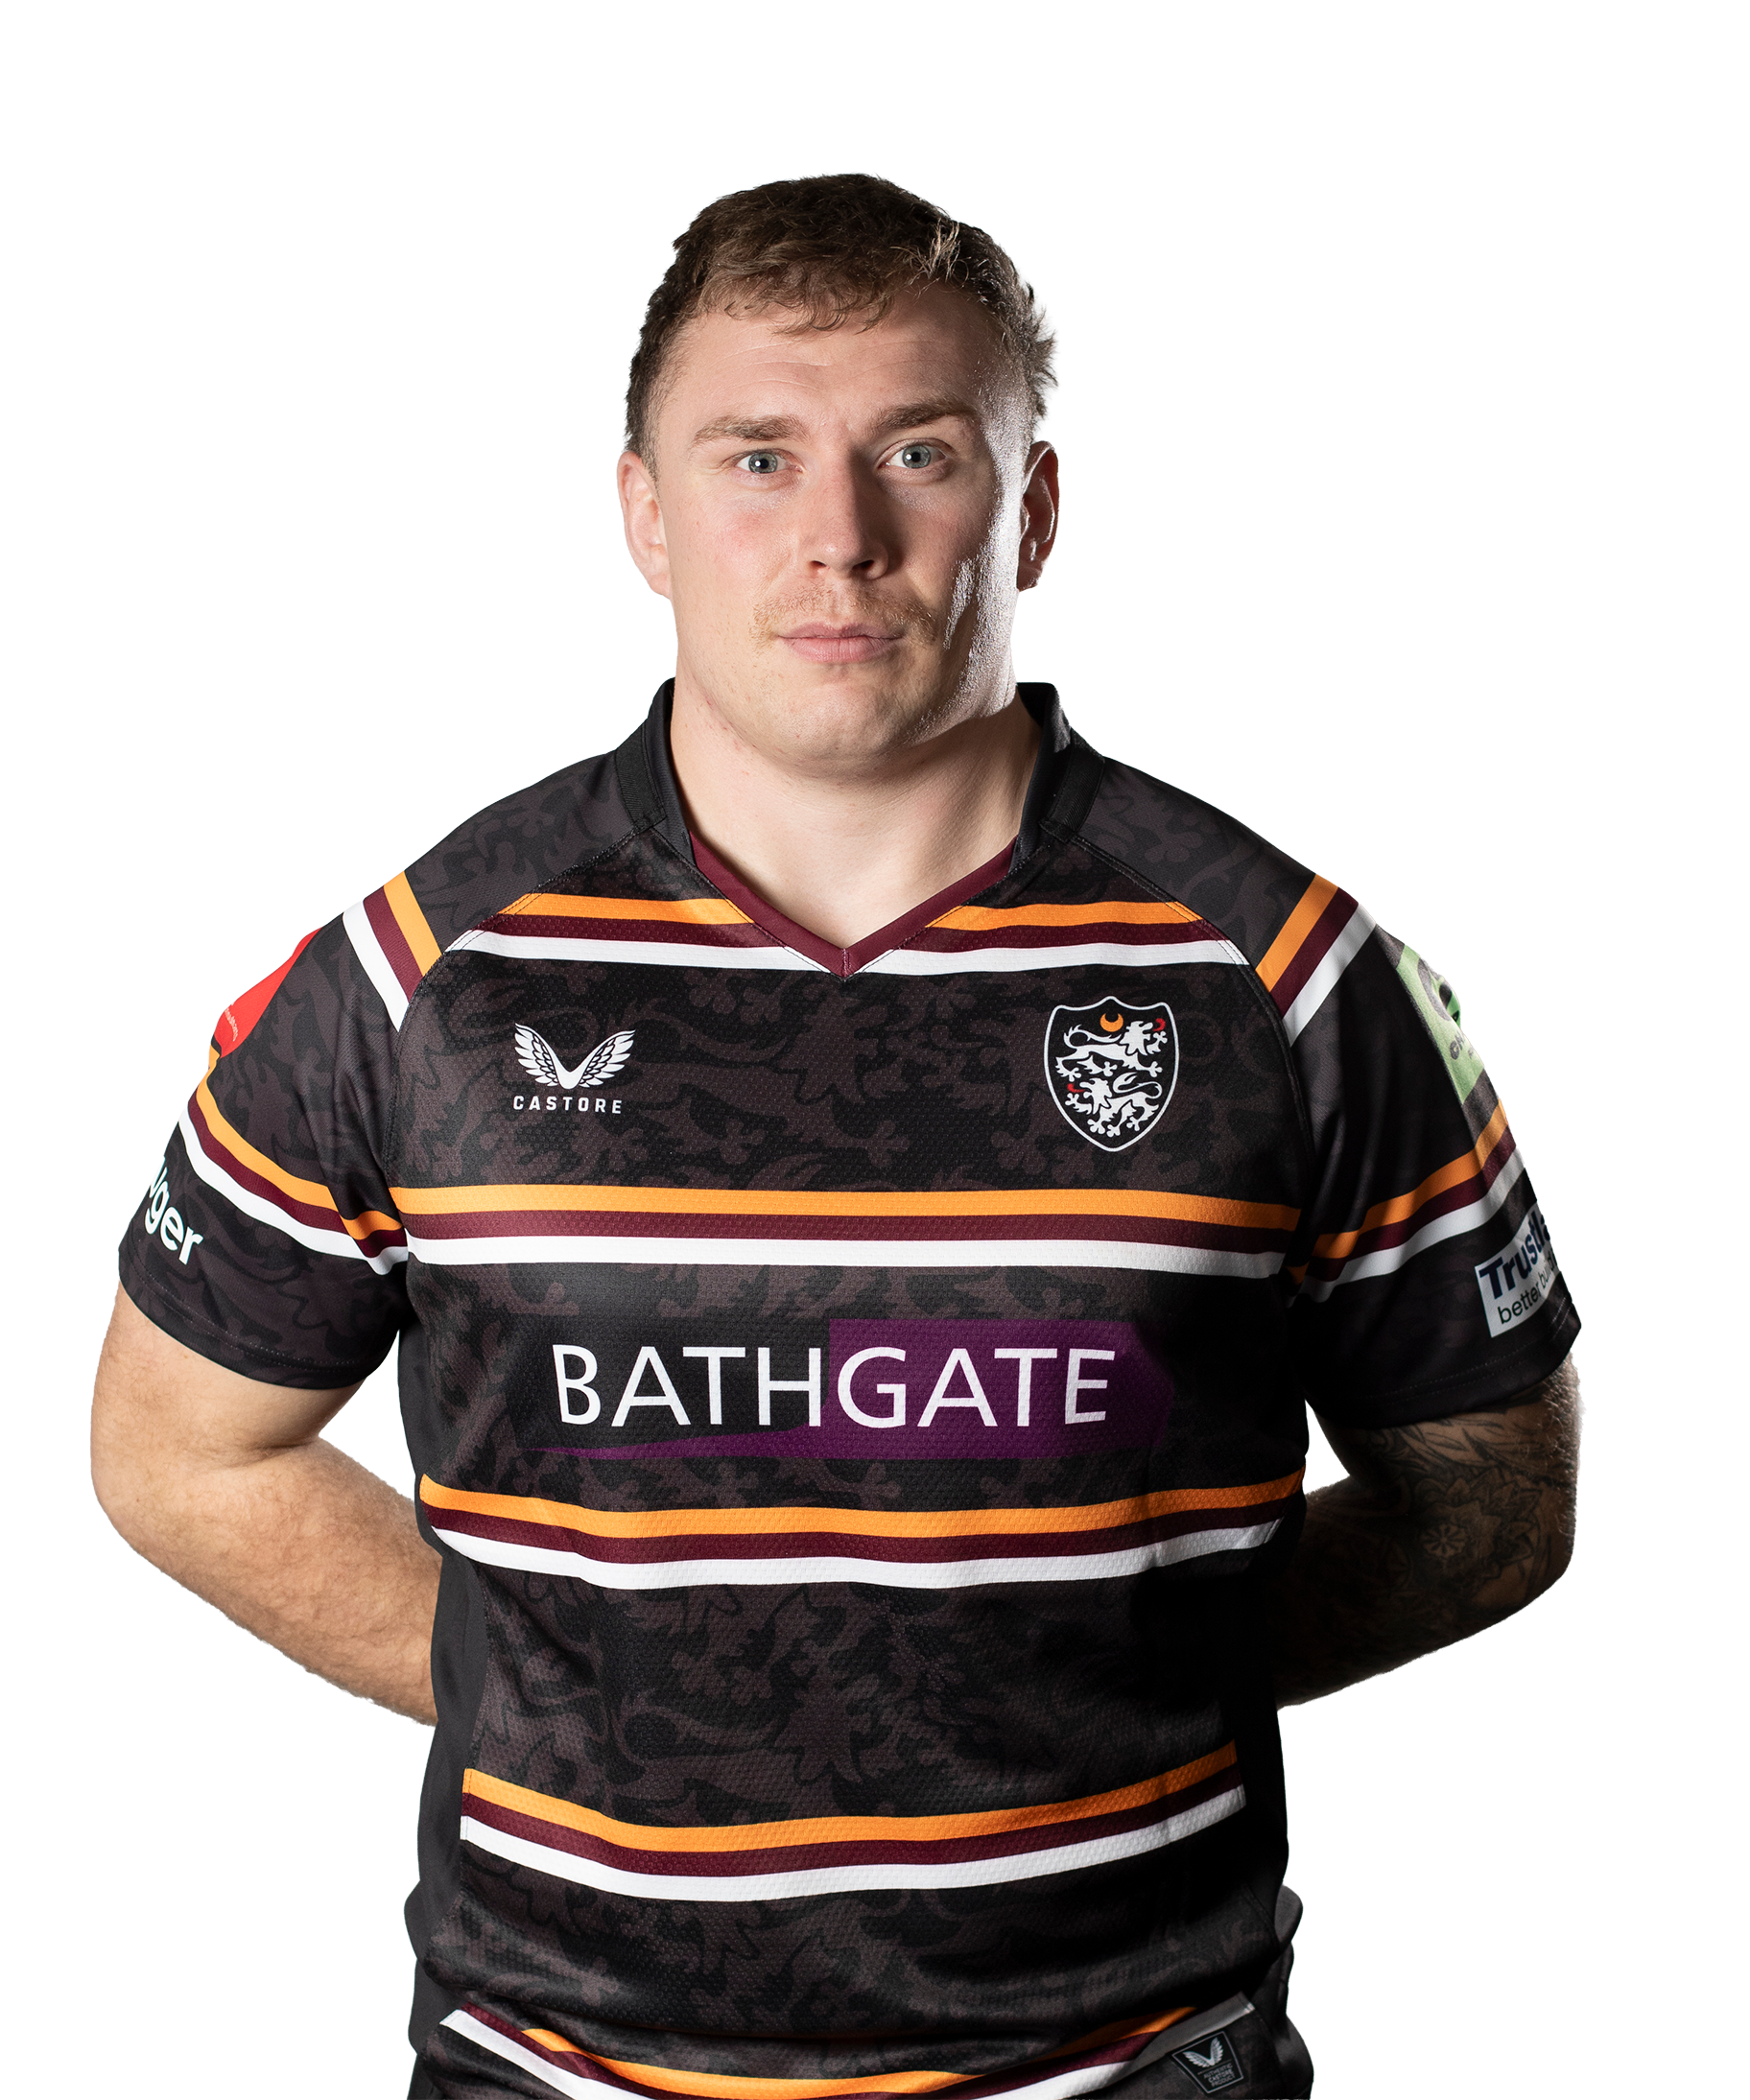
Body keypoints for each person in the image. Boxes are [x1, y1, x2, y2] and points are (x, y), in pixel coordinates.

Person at [92, 174, 1578, 2100]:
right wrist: (569, 1687)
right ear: (645, 512)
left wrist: (1098, 1670)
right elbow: (178, 1446)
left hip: (1127, 2064)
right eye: (758, 456)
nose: (840, 537)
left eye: (921, 453)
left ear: (1034, 509)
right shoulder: (416, 971)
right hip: (563, 2067)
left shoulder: (1283, 973)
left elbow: (1501, 1499)